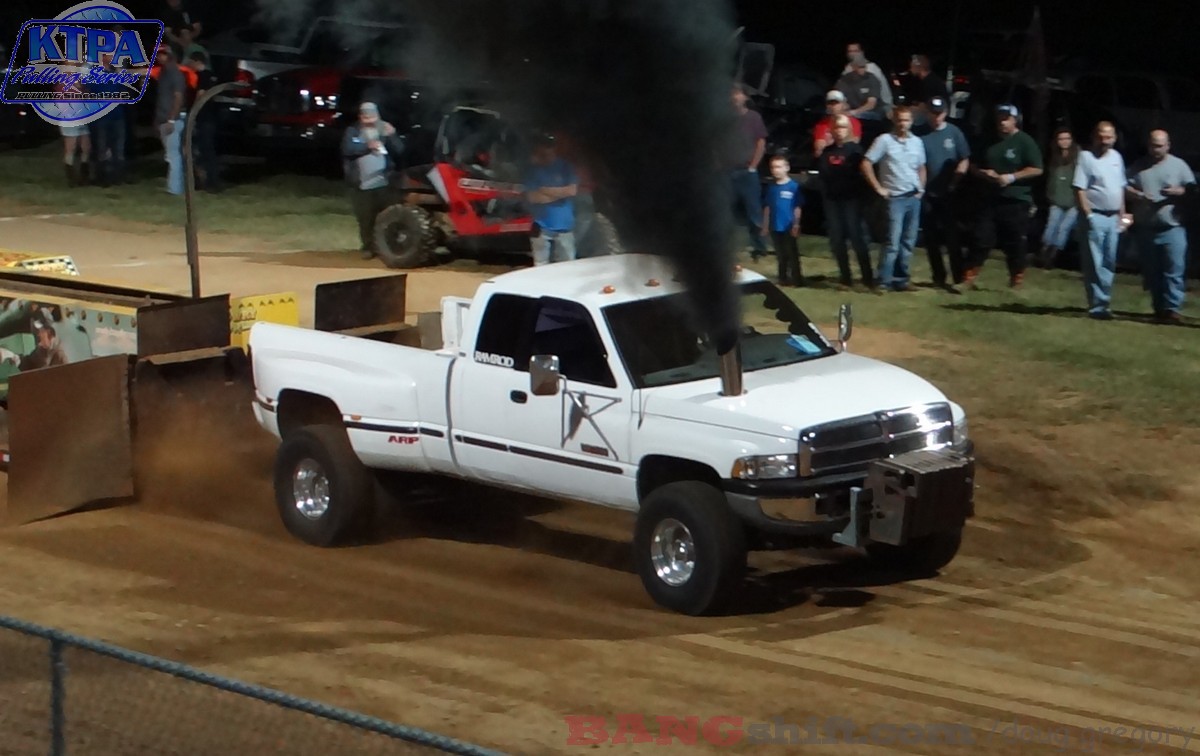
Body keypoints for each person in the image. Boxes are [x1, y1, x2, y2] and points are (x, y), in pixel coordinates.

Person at [963, 104, 1044, 290]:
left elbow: (1037, 168)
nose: (1002, 122)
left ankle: (1017, 276)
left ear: (1015, 120)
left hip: (1016, 198)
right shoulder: (988, 140)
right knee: (981, 237)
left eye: (1006, 118)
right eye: (1000, 118)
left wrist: (1012, 177)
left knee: (1015, 240)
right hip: (990, 196)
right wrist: (984, 174)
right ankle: (968, 275)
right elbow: (973, 165)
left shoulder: (1024, 141)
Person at [1127, 129, 1196, 324]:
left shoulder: (1179, 166)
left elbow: (1191, 190)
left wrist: (1178, 191)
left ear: (1168, 145)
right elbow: (1124, 186)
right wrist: (1139, 195)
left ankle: (1172, 308)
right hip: (1147, 227)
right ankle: (1159, 308)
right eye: (1152, 145)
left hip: (1173, 227)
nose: (1155, 149)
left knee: (1174, 268)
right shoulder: (1139, 166)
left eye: (1159, 145)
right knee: (1152, 271)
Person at [861, 106, 926, 292]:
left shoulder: (917, 142)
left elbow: (922, 166)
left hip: (913, 197)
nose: (903, 124)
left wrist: (921, 188)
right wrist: (878, 188)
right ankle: (883, 280)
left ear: (912, 121)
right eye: (900, 120)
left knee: (908, 241)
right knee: (892, 242)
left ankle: (901, 279)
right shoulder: (884, 141)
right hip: (894, 198)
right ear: (894, 121)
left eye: (906, 120)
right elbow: (866, 163)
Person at [1073, 121, 1129, 319]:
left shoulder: (1117, 158)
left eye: (1109, 137)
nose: (1105, 141)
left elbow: (1120, 188)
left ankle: (1104, 302)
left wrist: (1123, 215)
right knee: (1094, 263)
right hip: (1094, 215)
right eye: (1101, 136)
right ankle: (1098, 305)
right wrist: (1088, 215)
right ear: (1094, 137)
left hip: (1113, 217)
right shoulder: (1086, 157)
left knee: (1109, 261)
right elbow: (1079, 189)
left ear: (1114, 138)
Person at [817, 115, 874, 288]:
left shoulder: (856, 151)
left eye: (843, 127)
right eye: (836, 127)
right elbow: (824, 176)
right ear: (832, 130)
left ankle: (867, 277)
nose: (839, 131)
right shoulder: (827, 153)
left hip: (852, 200)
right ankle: (845, 276)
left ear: (848, 129)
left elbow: (862, 176)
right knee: (837, 239)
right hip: (833, 201)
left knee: (857, 237)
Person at [919, 96, 970, 290]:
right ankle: (938, 277)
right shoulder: (921, 134)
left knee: (952, 237)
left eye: (939, 113)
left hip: (948, 192)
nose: (936, 117)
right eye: (933, 113)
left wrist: (956, 180)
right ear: (928, 113)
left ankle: (958, 277)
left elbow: (964, 158)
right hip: (928, 192)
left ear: (945, 113)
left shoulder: (954, 132)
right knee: (931, 238)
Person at [341, 102, 403, 259]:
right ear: (360, 116)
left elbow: (400, 150)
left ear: (377, 115)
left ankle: (389, 247)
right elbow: (347, 149)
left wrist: (393, 135)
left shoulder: (384, 129)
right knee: (366, 218)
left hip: (384, 183)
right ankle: (368, 247)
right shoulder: (353, 131)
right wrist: (368, 146)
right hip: (361, 184)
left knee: (389, 217)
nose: (368, 119)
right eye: (365, 115)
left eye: (372, 115)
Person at [523, 136, 579, 266]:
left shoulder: (566, 167)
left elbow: (572, 191)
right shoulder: (532, 170)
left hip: (565, 227)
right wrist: (561, 193)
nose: (544, 155)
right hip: (541, 227)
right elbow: (533, 197)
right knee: (540, 267)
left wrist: (544, 190)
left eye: (548, 151)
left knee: (568, 267)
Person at [728, 83, 769, 259]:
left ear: (745, 97)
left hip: (747, 172)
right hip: (727, 172)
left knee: (754, 212)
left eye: (738, 94)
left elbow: (761, 143)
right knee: (725, 212)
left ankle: (759, 248)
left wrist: (753, 166)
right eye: (731, 94)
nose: (734, 97)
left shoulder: (754, 117)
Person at [1038, 126, 1080, 268]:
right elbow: (1051, 179)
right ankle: (1043, 254)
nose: (1064, 141)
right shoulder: (1053, 158)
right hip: (1056, 199)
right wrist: (1050, 195)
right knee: (1051, 226)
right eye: (1061, 139)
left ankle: (1053, 257)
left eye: (1067, 138)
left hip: (1073, 201)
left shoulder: (1078, 157)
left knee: (1064, 228)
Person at [761, 155, 804, 286]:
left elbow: (797, 207)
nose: (776, 170)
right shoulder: (771, 187)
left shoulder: (794, 186)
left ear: (786, 168)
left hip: (788, 226)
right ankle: (782, 278)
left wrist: (796, 224)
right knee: (780, 255)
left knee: (792, 254)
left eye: (779, 167)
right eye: (773, 167)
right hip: (775, 226)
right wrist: (765, 225)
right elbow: (767, 207)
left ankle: (797, 280)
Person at [152, 45, 186, 195]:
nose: (160, 57)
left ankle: (175, 189)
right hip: (163, 118)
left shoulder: (175, 73)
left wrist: (171, 120)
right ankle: (174, 186)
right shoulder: (163, 73)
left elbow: (178, 97)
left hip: (172, 119)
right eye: (158, 54)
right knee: (171, 155)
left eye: (163, 54)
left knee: (173, 155)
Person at [812, 90, 862, 156]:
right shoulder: (822, 124)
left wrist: (831, 141)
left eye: (836, 103)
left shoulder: (853, 122)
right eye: (830, 103)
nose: (833, 106)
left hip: (847, 157)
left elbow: (854, 142)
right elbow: (819, 147)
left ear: (843, 104)